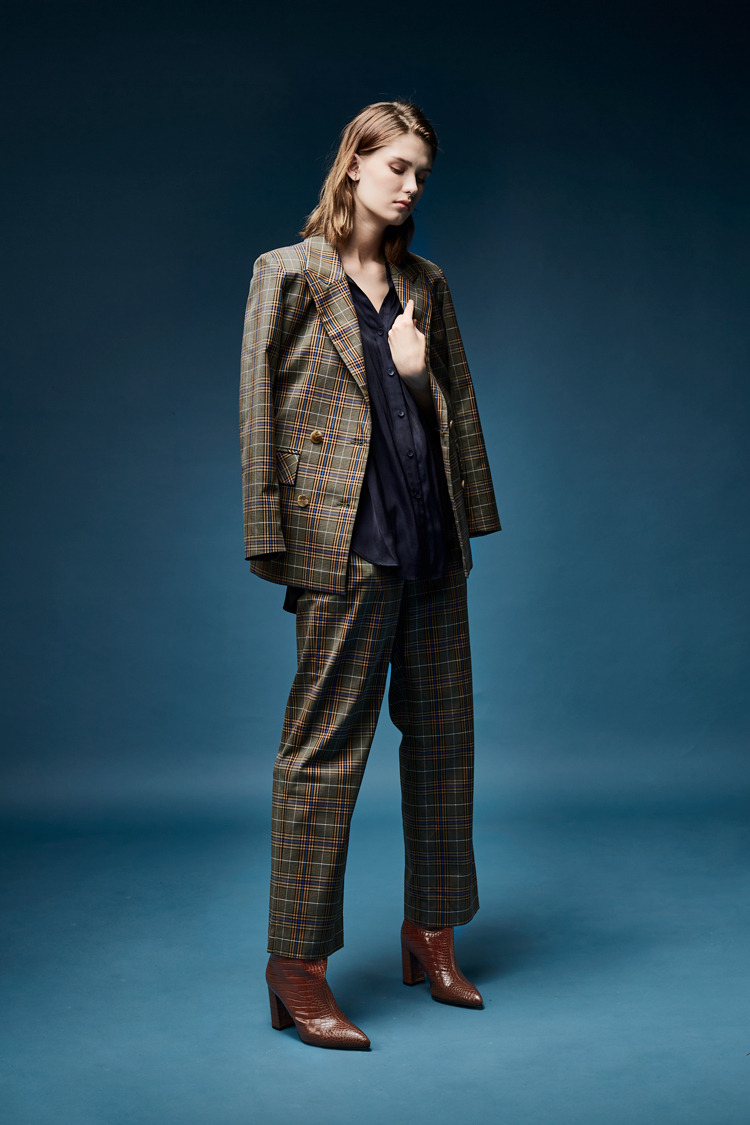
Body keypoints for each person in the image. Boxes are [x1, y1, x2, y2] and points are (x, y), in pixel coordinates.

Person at [239, 100, 501, 1050]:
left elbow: (455, 407)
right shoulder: (288, 274)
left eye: (422, 172)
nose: (411, 185)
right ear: (353, 163)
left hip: (430, 538)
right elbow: (257, 413)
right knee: (322, 754)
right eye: (397, 166)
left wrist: (418, 376)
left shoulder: (427, 284)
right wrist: (276, 544)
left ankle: (432, 933)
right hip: (343, 544)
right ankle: (297, 968)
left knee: (443, 746)